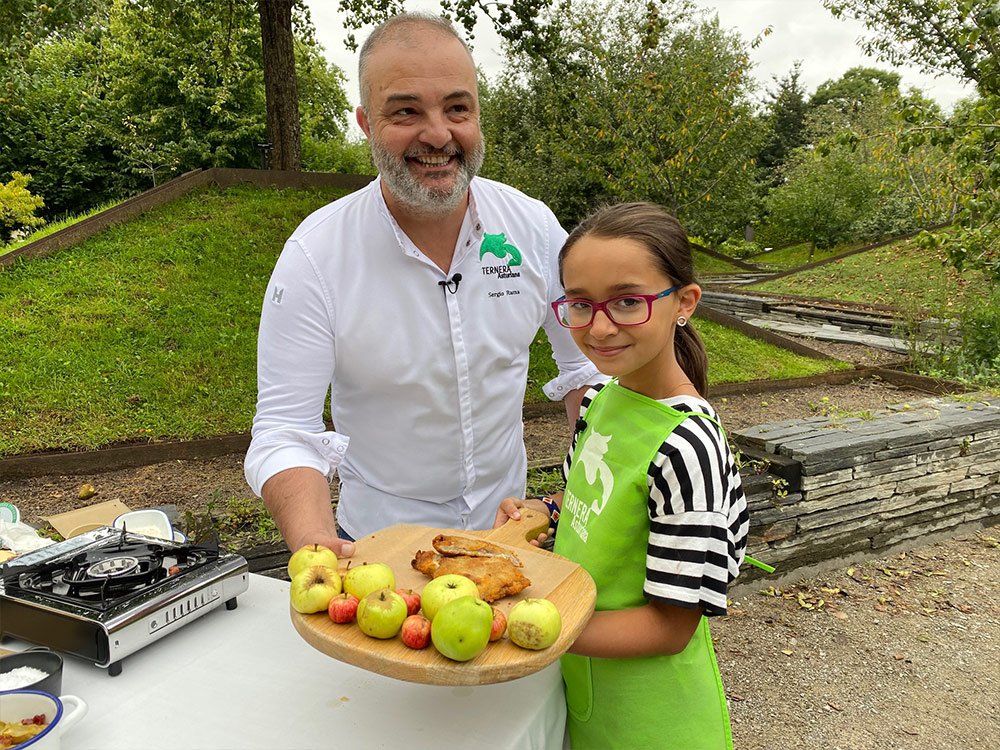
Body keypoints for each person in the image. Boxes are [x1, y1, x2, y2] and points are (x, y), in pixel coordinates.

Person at [243, 12, 603, 558]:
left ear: (478, 113)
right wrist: (312, 539)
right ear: (365, 122)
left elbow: (589, 370)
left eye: (457, 108)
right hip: (377, 550)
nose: (438, 134)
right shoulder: (316, 256)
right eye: (406, 111)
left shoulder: (532, 228)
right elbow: (284, 428)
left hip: (513, 541)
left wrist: (574, 496)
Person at [497, 202, 750, 749]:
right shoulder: (601, 399)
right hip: (584, 694)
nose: (600, 326)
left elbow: (669, 626)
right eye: (580, 304)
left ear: (684, 303)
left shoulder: (690, 446)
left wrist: (525, 627)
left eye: (628, 302)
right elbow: (596, 495)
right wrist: (548, 509)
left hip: (653, 723)